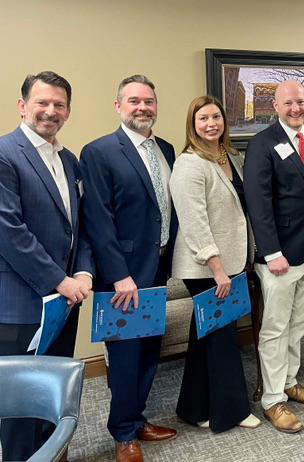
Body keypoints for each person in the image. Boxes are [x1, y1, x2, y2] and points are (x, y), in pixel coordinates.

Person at [81, 75, 178, 462]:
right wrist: (119, 274)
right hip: (122, 275)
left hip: (157, 269)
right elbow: (98, 219)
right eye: (134, 101)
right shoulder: (100, 152)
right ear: (118, 105)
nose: (143, 108)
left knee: (151, 349)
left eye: (149, 101)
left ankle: (137, 420)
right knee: (124, 356)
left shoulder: (166, 149)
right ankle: (123, 434)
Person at [0, 71, 93, 461]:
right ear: (23, 106)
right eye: (42, 102)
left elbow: (80, 226)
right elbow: (9, 231)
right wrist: (60, 280)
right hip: (21, 306)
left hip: (64, 305)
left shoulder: (68, 160)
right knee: (21, 413)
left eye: (59, 105)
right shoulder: (5, 154)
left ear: (68, 111)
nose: (50, 111)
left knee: (54, 403)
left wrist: (84, 273)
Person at [243, 80, 304, 433]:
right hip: (280, 254)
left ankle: (290, 382)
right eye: (288, 103)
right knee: (276, 327)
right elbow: (258, 203)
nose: (295, 108)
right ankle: (272, 399)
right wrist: (271, 252)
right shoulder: (262, 144)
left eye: (301, 102)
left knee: (299, 323)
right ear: (275, 106)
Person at [169, 96, 260, 432]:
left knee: (203, 336)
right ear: (192, 124)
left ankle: (193, 407)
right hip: (205, 267)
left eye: (217, 117)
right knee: (222, 338)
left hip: (233, 261)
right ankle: (232, 411)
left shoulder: (231, 156)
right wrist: (217, 268)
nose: (211, 124)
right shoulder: (189, 164)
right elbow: (194, 221)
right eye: (203, 118)